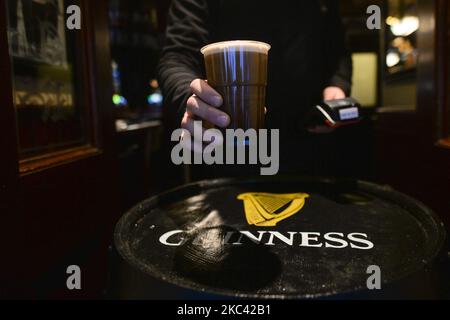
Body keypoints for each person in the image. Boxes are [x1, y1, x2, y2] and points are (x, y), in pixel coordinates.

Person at [157, 0, 352, 179]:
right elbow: (177, 58)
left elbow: (338, 52)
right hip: (230, 155)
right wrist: (191, 100)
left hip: (309, 146)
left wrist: (337, 86)